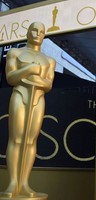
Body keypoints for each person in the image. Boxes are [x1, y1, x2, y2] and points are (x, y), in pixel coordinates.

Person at [2, 22, 56, 197]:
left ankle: (24, 183)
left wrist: (29, 78)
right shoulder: (15, 53)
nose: (37, 33)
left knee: (30, 141)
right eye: (34, 30)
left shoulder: (49, 60)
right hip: (20, 95)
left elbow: (48, 84)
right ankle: (12, 183)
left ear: (44, 35)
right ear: (28, 32)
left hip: (38, 99)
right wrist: (30, 70)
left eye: (41, 31)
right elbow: (11, 77)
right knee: (16, 139)